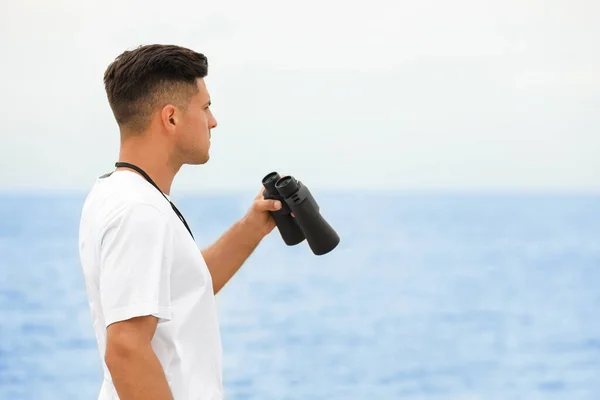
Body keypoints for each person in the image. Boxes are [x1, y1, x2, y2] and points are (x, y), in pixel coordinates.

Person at [78, 44, 283, 400]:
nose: (213, 121)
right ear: (171, 118)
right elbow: (126, 348)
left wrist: (252, 228)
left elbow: (179, 289)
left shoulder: (119, 194)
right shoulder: (139, 211)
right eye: (205, 108)